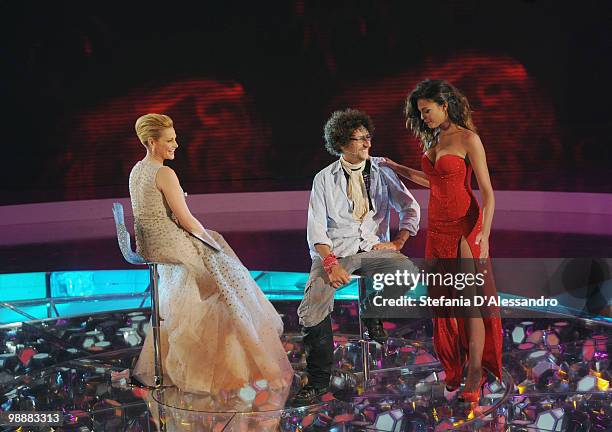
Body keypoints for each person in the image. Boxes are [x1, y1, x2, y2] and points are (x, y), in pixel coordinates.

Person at [128, 113, 293, 403]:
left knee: (216, 247)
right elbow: (186, 220)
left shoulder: (136, 169)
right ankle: (240, 365)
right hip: (167, 243)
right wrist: (208, 241)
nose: (175, 145)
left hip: (149, 244)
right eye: (170, 140)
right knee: (223, 266)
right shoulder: (164, 173)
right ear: (152, 142)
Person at [383, 79, 503, 405]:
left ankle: (476, 371)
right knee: (444, 304)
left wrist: (485, 235)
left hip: (465, 227)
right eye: (420, 113)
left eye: (427, 111)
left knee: (467, 303)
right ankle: (457, 363)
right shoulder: (435, 139)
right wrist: (396, 167)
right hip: (437, 230)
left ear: (444, 105)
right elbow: (433, 181)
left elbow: (489, 194)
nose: (424, 118)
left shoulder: (468, 139)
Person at [295, 108, 420, 404]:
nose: (367, 144)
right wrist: (330, 263)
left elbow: (410, 207)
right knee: (313, 308)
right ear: (341, 143)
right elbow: (316, 230)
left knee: (408, 273)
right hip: (335, 254)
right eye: (359, 139)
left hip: (373, 250)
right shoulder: (324, 179)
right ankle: (318, 382)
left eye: (368, 137)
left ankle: (373, 309)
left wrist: (399, 241)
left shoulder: (383, 171)